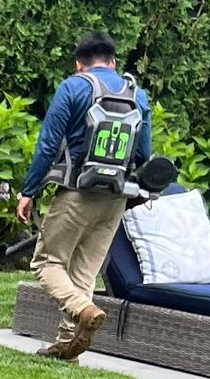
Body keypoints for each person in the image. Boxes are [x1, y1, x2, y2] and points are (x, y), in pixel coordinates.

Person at [16, 34, 152, 361]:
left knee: (47, 261)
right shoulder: (138, 94)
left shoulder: (73, 87)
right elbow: (144, 152)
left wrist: (29, 191)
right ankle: (68, 347)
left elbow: (48, 145)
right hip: (116, 197)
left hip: (77, 192)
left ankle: (82, 309)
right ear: (114, 62)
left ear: (79, 64)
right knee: (84, 271)